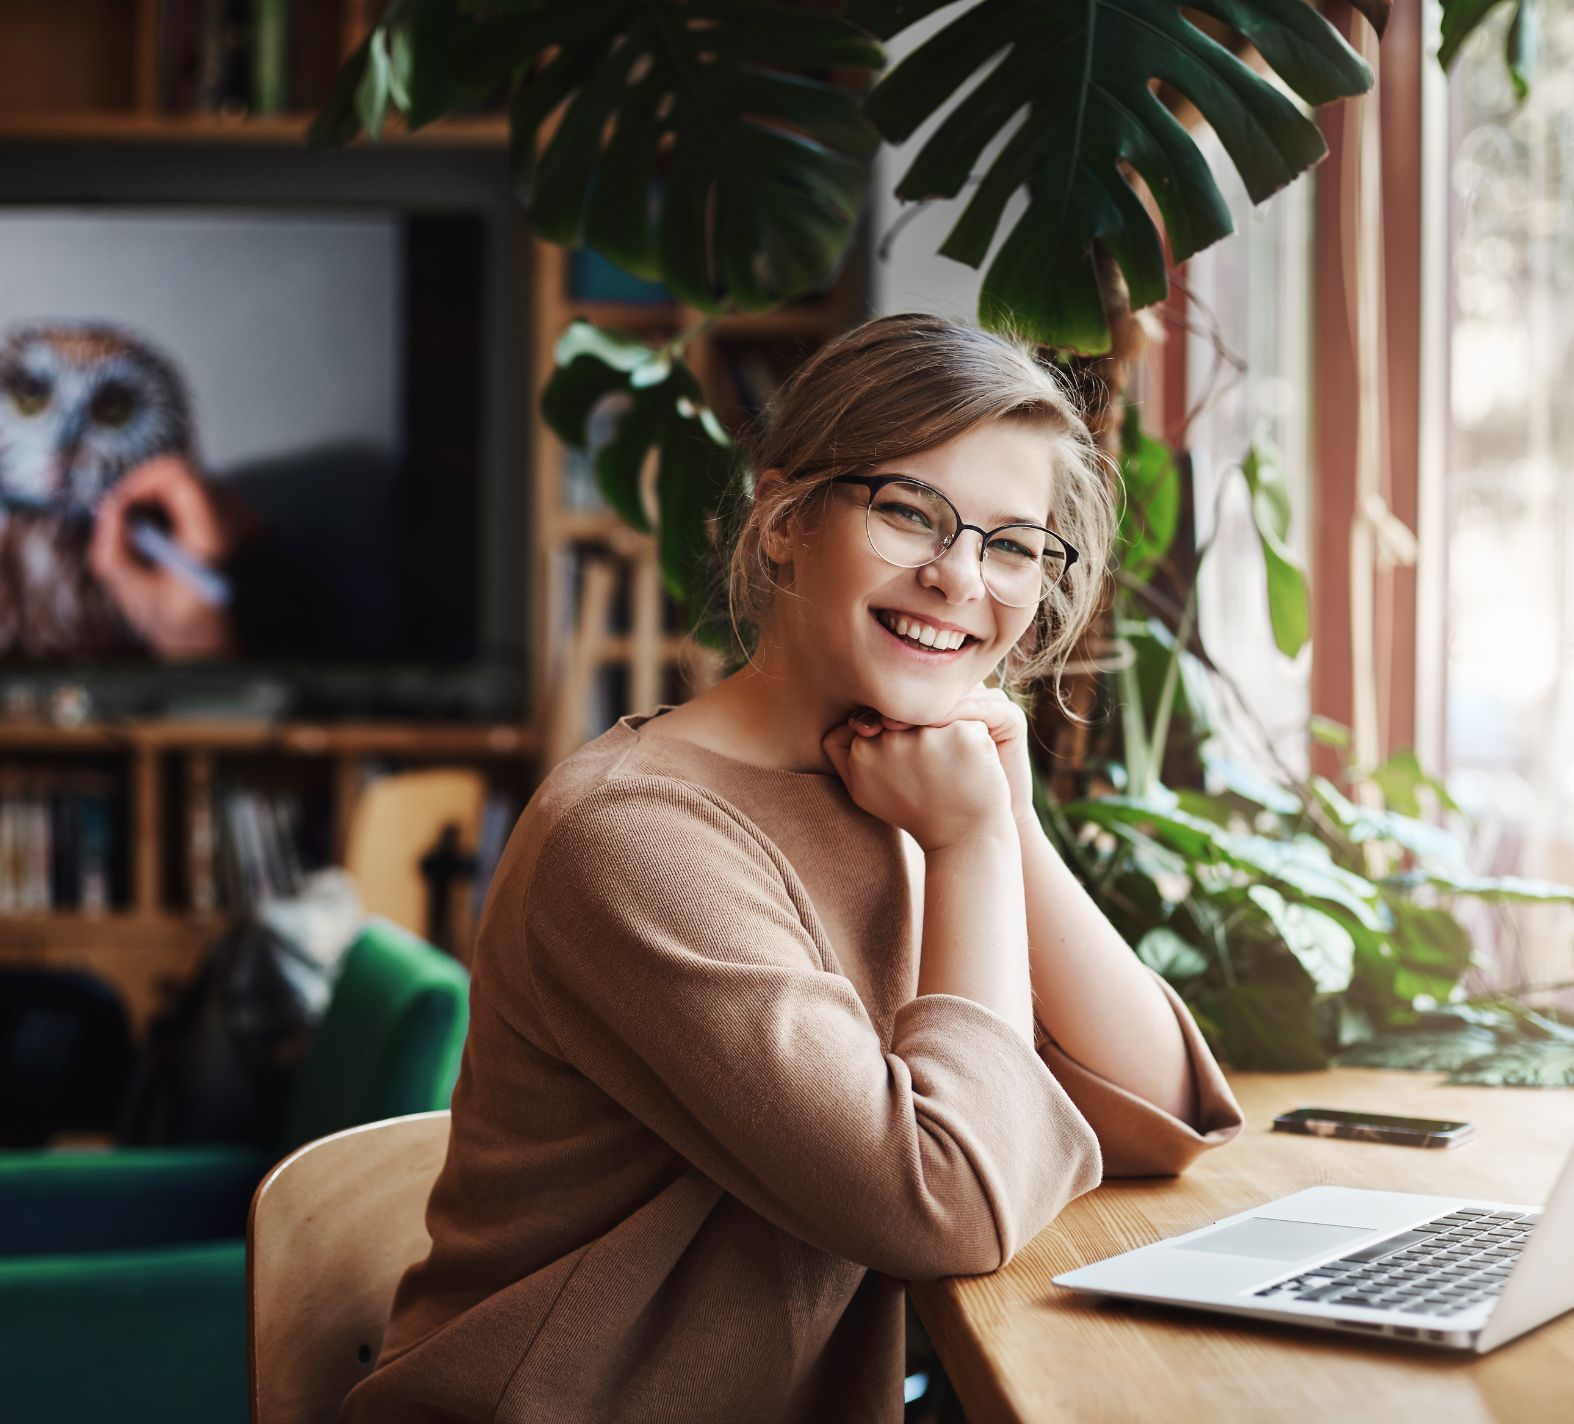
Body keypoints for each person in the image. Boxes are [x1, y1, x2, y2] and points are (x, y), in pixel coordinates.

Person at [337, 313, 1245, 1424]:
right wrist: (964, 844)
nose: (960, 573)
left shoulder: (907, 784)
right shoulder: (635, 836)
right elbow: (947, 1199)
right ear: (781, 518)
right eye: (910, 510)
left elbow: (1155, 1108)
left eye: (1011, 542)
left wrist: (1002, 817)